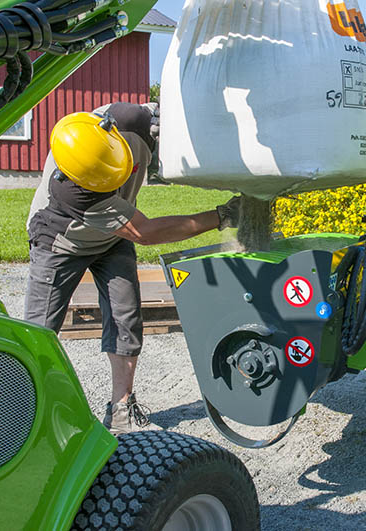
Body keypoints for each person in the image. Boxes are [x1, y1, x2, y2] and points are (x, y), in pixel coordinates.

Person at [24, 102, 239, 434]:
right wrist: (221, 217)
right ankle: (25, 409)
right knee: (39, 330)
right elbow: (147, 232)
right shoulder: (73, 190)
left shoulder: (130, 122)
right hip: (61, 239)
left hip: (110, 241)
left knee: (126, 317)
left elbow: (182, 124)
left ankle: (121, 408)